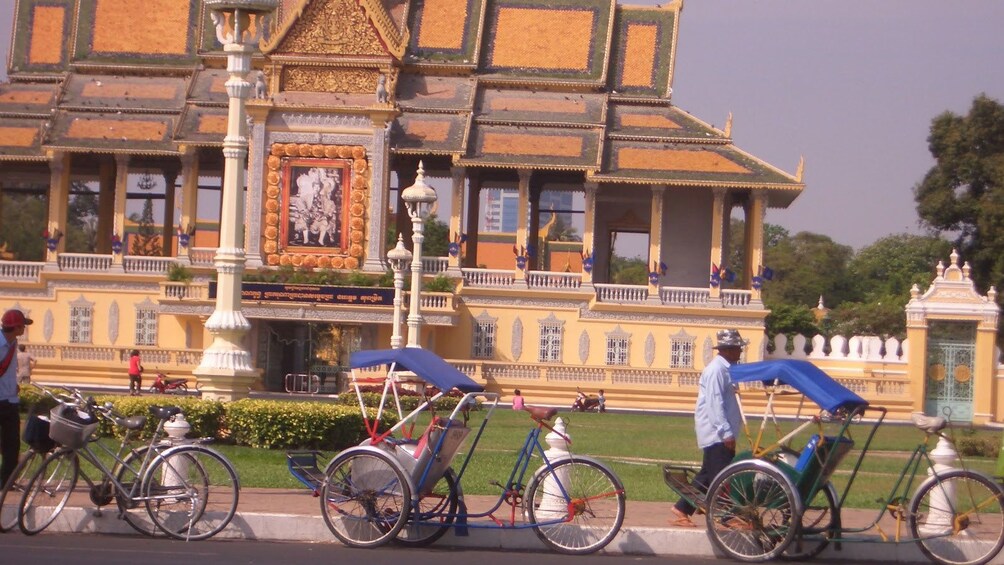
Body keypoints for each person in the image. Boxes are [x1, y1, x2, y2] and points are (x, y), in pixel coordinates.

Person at [669, 328, 746, 528]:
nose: (740, 352)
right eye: (738, 349)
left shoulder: (726, 369)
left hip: (719, 432)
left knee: (706, 476)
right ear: (728, 350)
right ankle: (727, 516)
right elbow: (714, 403)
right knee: (722, 476)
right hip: (716, 433)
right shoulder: (716, 370)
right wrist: (726, 432)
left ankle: (682, 509)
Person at [1, 308, 33, 485]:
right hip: (2, 401)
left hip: (9, 400)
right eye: (23, 326)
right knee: (9, 444)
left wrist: (12, 386)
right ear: (17, 327)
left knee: (11, 445)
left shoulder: (13, 342)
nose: (24, 329)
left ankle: (6, 482)